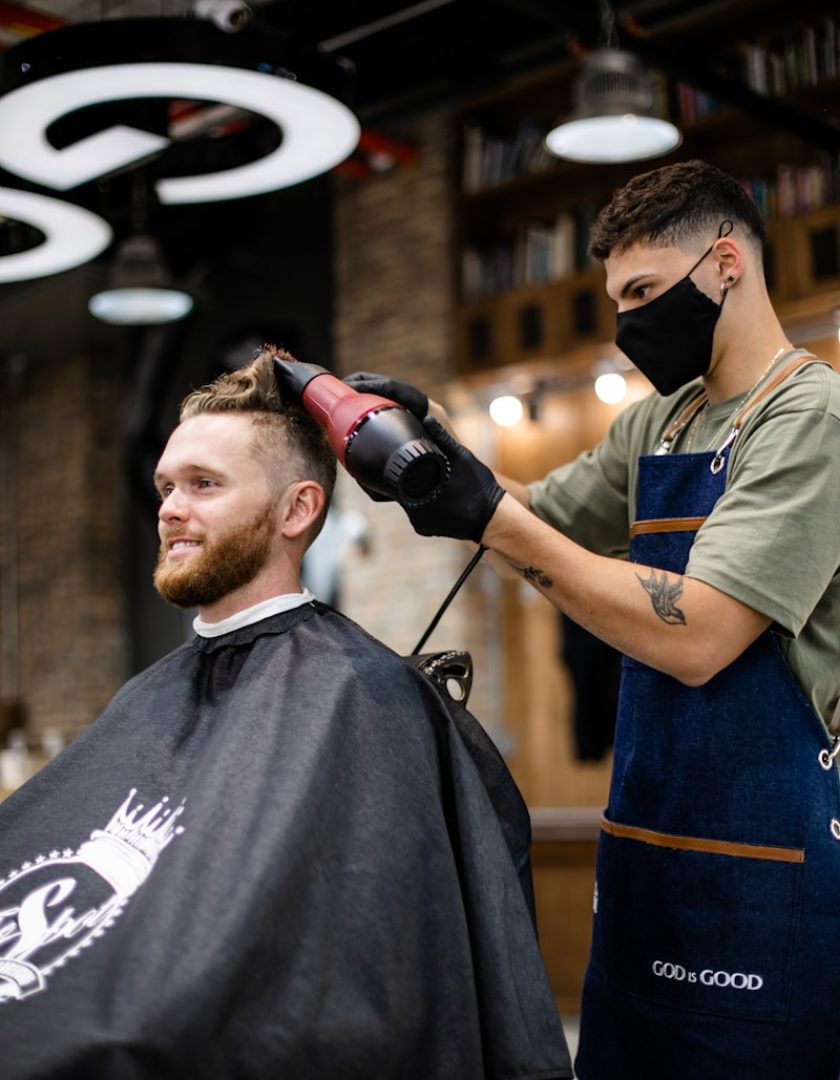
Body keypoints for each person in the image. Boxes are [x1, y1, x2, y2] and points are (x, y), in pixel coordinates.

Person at [346, 160, 840, 1080]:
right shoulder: (661, 422)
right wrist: (441, 452)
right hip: (650, 847)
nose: (628, 329)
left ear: (726, 264)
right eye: (619, 301)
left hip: (771, 872)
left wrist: (489, 518)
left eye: (646, 292)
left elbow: (697, 635)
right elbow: (531, 513)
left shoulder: (810, 418)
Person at [0, 346, 572, 1079]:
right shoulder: (144, 698)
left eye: (204, 485)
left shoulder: (363, 697)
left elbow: (359, 994)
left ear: (298, 509)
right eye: (166, 486)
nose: (171, 508)